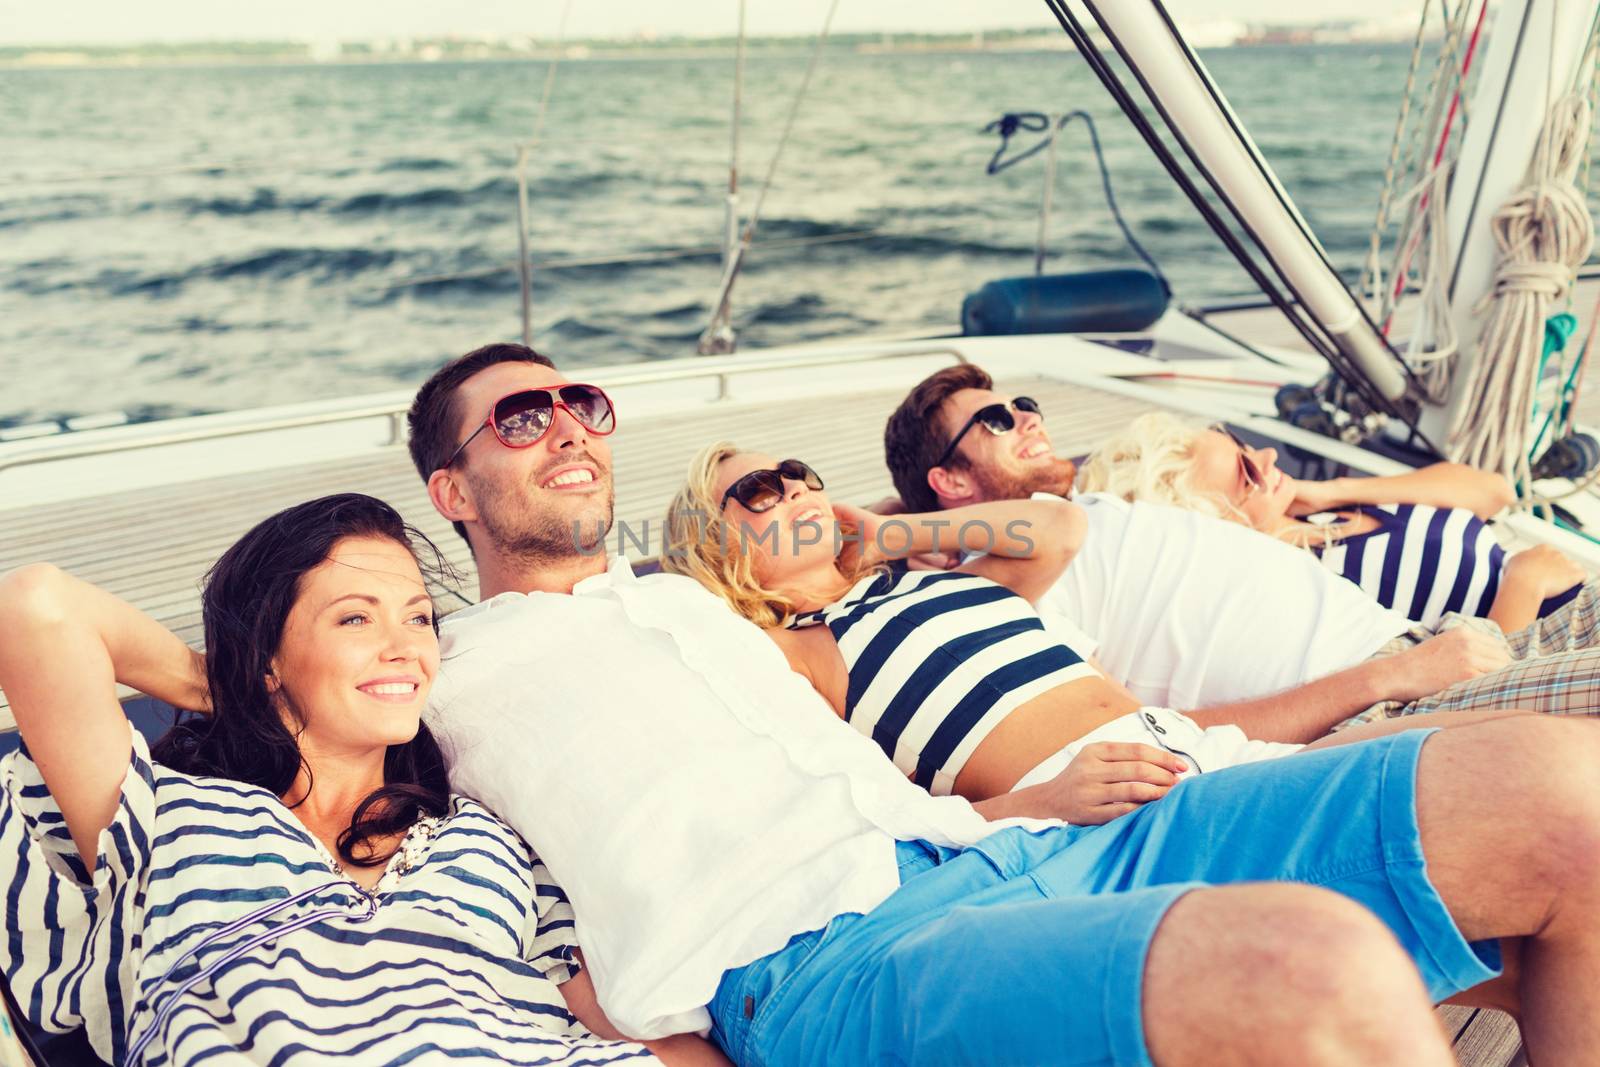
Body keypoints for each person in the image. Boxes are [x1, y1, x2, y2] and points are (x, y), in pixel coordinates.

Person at [412, 341, 1600, 1066]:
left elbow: (1048, 533)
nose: (567, 423)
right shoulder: (443, 662)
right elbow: (282, 707)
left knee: (1560, 790)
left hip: (1012, 843)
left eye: (583, 403)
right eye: (525, 416)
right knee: (1312, 965)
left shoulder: (690, 613)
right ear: (449, 485)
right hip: (833, 958)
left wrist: (881, 540)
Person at [0, 493, 722, 1066]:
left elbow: (608, 1018)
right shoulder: (171, 818)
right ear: (269, 652)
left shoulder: (486, 833)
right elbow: (35, 606)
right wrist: (229, 680)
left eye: (418, 617)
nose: (404, 647)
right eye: (355, 618)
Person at [884, 363, 1600, 736]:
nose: (1029, 420)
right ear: (948, 478)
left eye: (1027, 407)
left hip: (1437, 649)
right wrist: (1391, 679)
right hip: (1394, 696)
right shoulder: (1012, 600)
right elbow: (1146, 737)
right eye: (997, 421)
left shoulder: (1090, 515)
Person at [1078, 410, 1587, 632]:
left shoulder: (1325, 510)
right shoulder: (1308, 589)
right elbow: (1462, 687)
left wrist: (1333, 490)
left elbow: (1491, 492)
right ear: (1213, 522)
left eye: (1245, 446)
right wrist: (1522, 584)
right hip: (1558, 648)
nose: (1270, 454)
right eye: (1247, 470)